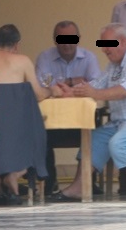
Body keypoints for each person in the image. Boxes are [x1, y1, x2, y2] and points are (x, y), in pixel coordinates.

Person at [50, 23, 126, 202]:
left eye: (107, 44)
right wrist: (71, 92)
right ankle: (78, 188)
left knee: (118, 145)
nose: (104, 50)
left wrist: (94, 94)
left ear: (122, 42)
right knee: (91, 141)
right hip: (118, 121)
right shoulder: (114, 62)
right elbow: (97, 83)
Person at [0, 24, 50, 205]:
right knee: (36, 130)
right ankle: (13, 175)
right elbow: (38, 95)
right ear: (17, 45)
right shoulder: (22, 61)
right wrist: (52, 90)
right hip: (15, 128)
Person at [34, 20, 102, 197]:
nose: (66, 43)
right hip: (52, 123)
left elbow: (97, 84)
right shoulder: (45, 57)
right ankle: (48, 184)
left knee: (97, 132)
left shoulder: (89, 58)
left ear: (78, 38)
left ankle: (88, 182)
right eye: (61, 39)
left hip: (81, 123)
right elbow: (41, 85)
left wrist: (68, 86)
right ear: (55, 40)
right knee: (39, 136)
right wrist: (78, 83)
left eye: (71, 38)